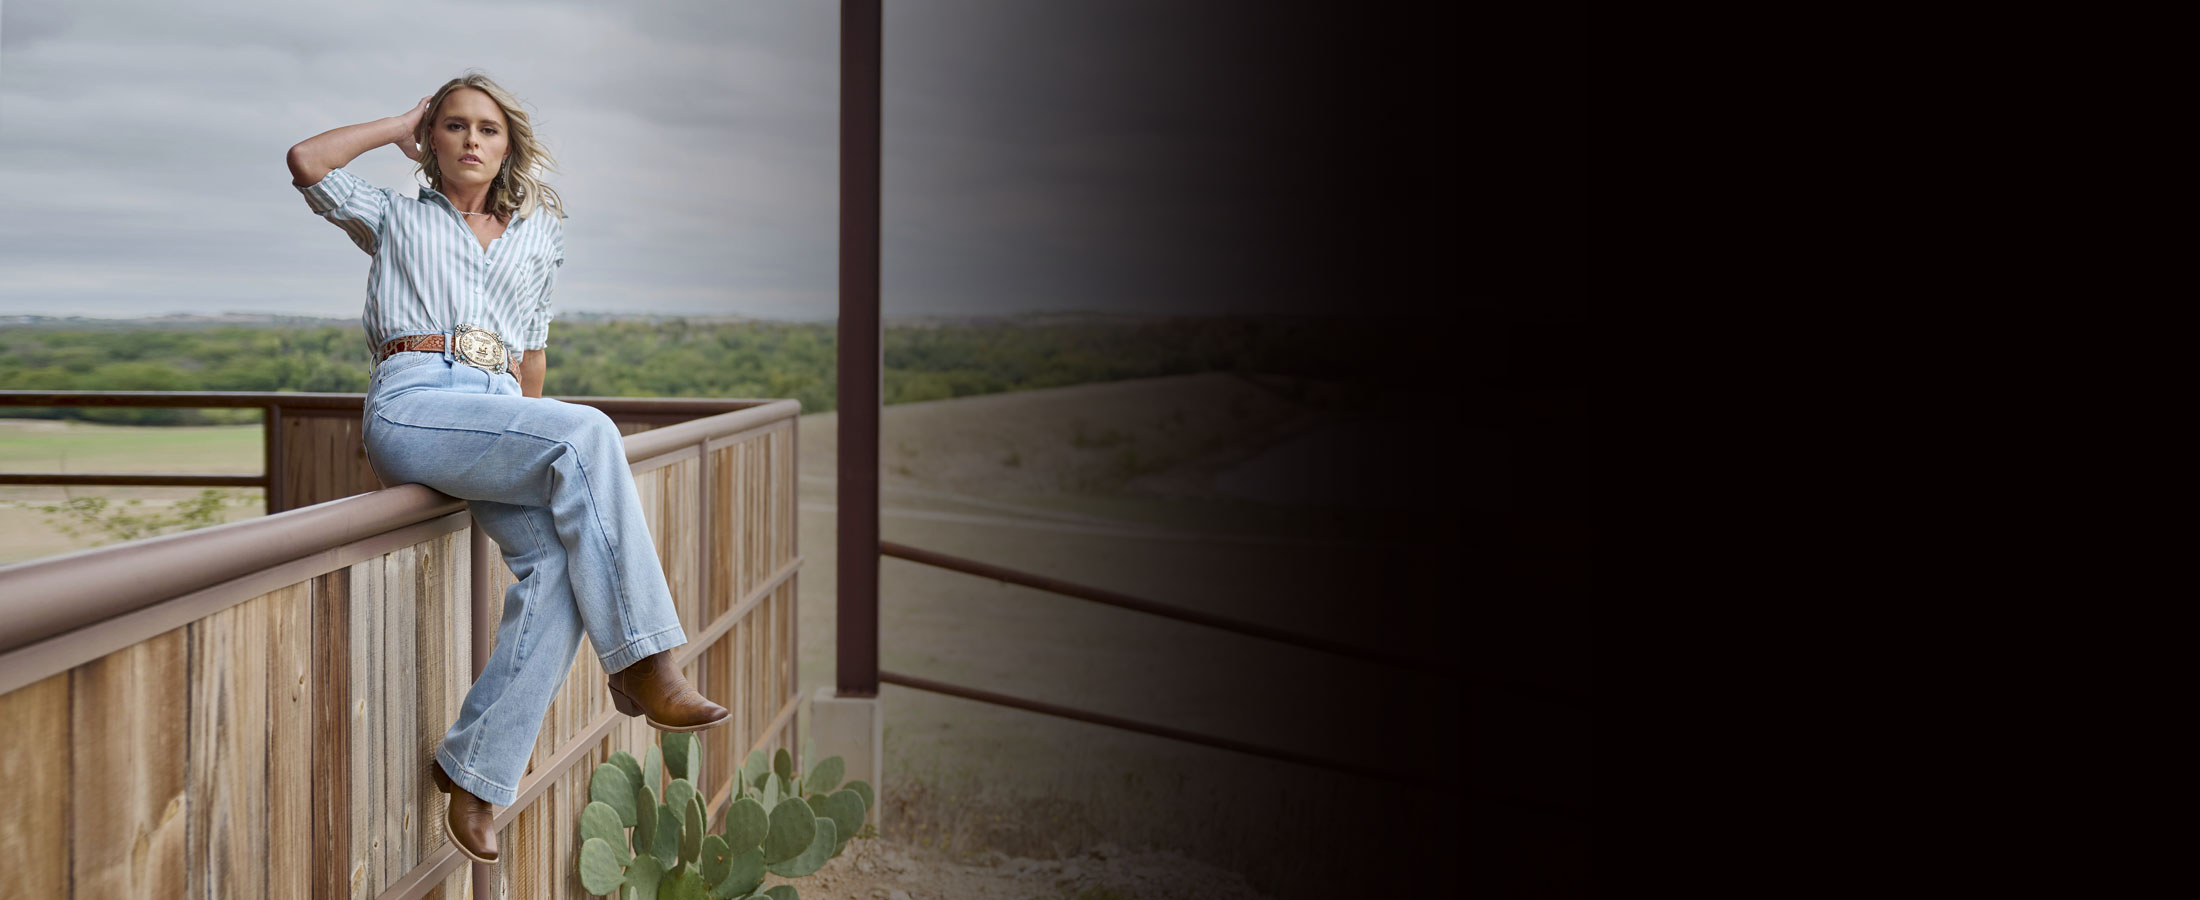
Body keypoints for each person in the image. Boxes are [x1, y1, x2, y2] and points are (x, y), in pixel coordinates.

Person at [286, 72, 729, 865]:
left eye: (487, 129)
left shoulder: (539, 232)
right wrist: (395, 122)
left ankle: (475, 775)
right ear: (432, 140)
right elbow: (307, 162)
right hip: (415, 402)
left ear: (508, 145)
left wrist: (529, 429)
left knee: (560, 568)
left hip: (499, 412)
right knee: (589, 433)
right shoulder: (394, 217)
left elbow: (531, 357)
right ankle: (643, 663)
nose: (470, 140)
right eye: (453, 126)